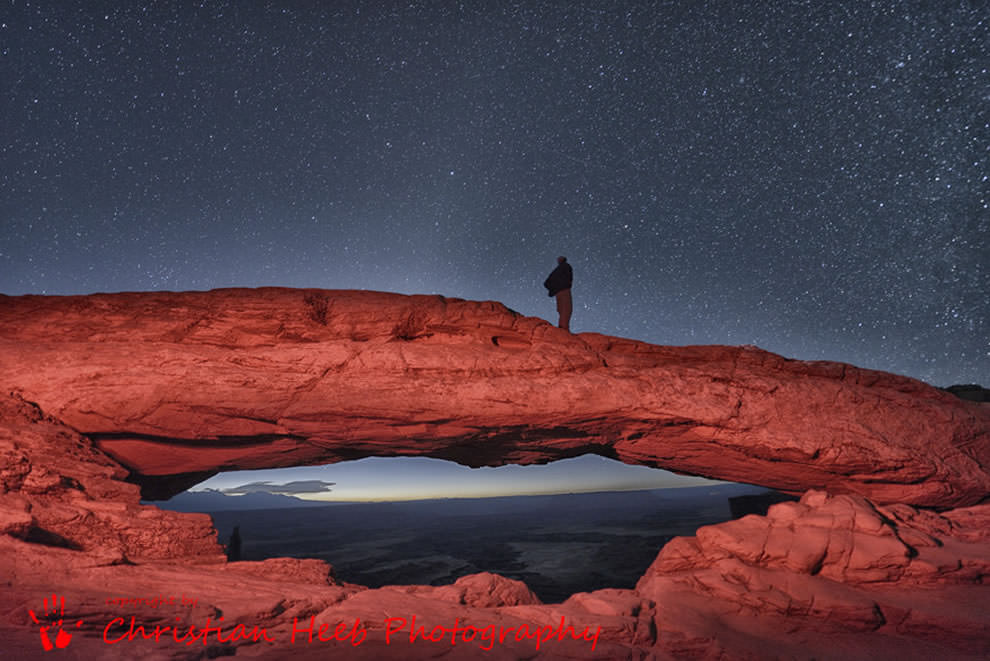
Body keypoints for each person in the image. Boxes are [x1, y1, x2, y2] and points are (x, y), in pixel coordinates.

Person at [543, 256, 573, 331]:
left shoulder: (556, 270)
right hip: (564, 290)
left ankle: (562, 327)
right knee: (566, 309)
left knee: (561, 309)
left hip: (558, 292)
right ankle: (564, 329)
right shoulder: (566, 266)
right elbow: (569, 277)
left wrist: (553, 290)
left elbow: (546, 283)